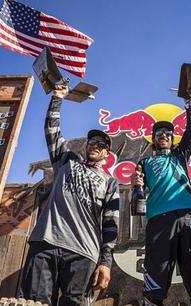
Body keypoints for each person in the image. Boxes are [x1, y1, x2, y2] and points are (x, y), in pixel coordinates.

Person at [21, 86, 120, 306]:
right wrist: (57, 98)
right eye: (92, 142)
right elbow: (52, 129)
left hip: (84, 253)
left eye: (101, 145)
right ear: (86, 146)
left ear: (106, 154)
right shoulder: (67, 161)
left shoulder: (110, 182)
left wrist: (105, 263)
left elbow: (111, 226)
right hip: (46, 242)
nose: (95, 145)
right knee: (33, 302)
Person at [131, 98, 191, 306]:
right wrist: (136, 185)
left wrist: (189, 106)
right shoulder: (144, 162)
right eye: (159, 133)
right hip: (159, 220)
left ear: (172, 138)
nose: (164, 136)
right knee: (155, 285)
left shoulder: (179, 155)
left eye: (168, 133)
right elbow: (137, 203)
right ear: (153, 139)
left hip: (189, 216)